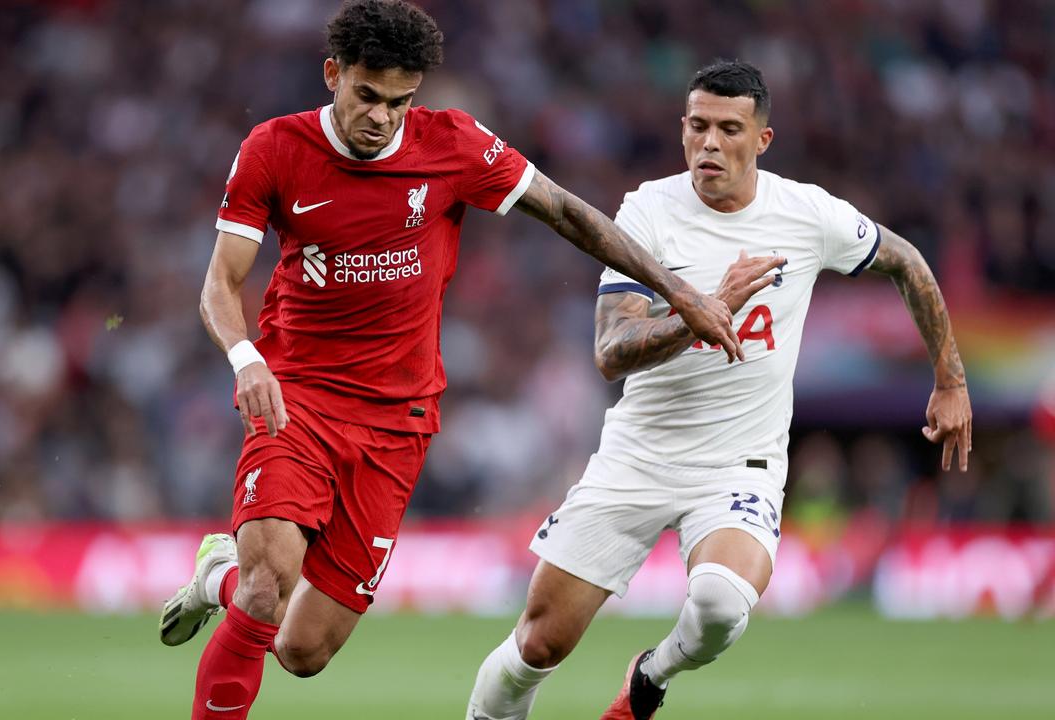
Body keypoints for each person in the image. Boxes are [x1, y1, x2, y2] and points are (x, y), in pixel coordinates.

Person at [155, 3, 750, 719]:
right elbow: (220, 282)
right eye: (366, 96)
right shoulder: (274, 149)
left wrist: (677, 291)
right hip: (296, 398)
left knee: (302, 650)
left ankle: (214, 572)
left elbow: (567, 213)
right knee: (264, 589)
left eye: (399, 102)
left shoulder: (453, 145)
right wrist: (245, 357)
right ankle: (238, 578)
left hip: (397, 422)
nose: (380, 117)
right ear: (333, 75)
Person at [464, 59, 973, 720]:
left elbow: (906, 261)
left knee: (720, 604)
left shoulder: (807, 214)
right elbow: (610, 354)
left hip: (741, 462)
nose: (709, 142)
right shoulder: (648, 212)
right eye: (697, 126)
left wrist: (950, 379)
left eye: (729, 129)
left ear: (761, 139)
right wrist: (703, 309)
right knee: (540, 641)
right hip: (639, 455)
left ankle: (653, 673)